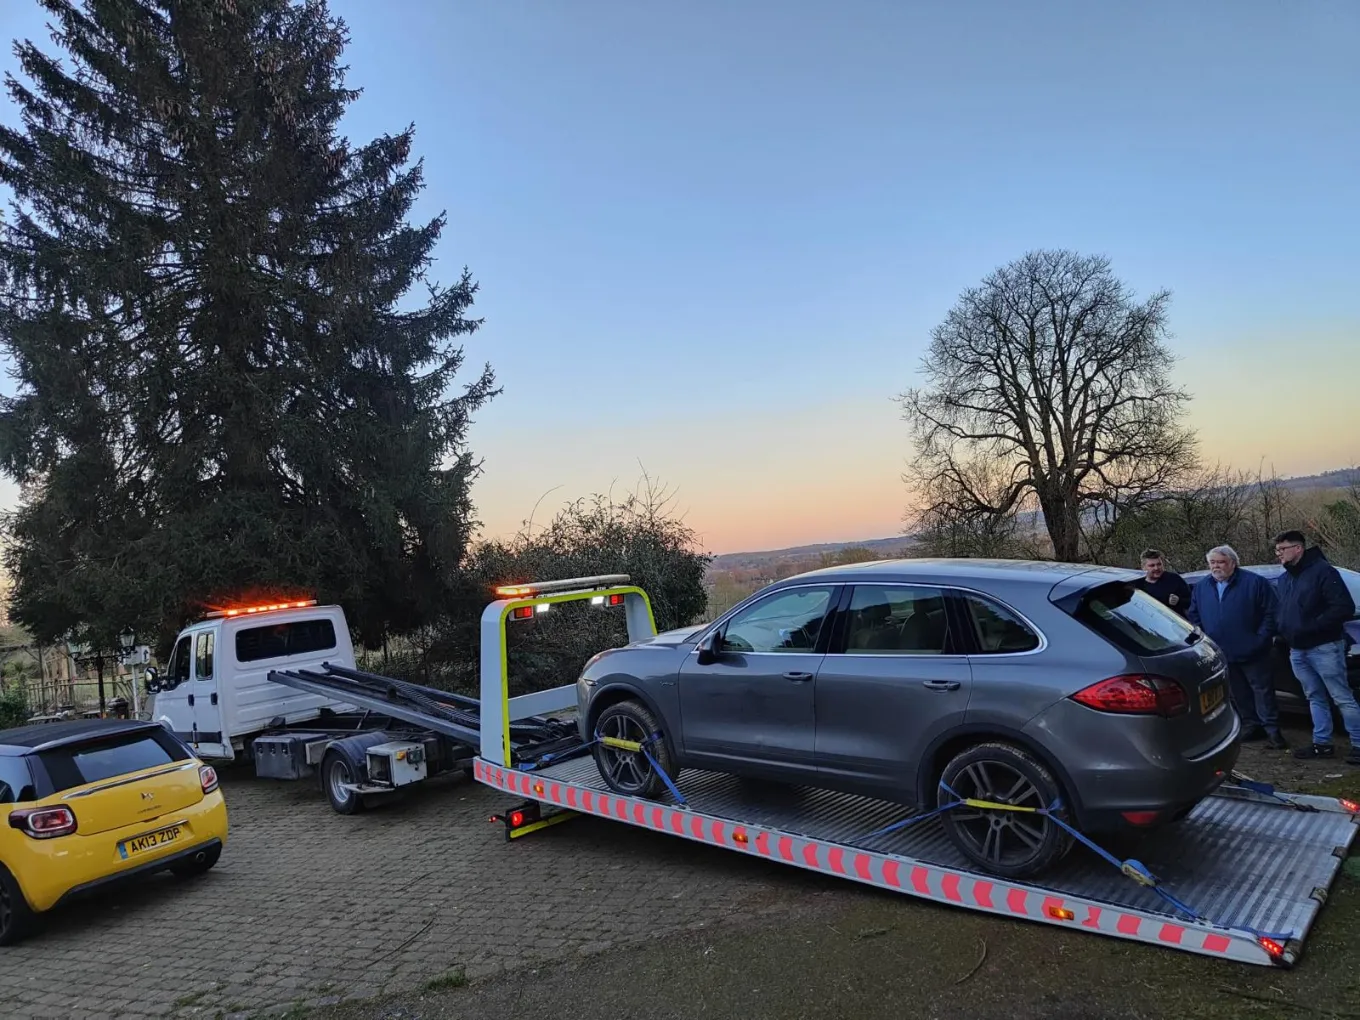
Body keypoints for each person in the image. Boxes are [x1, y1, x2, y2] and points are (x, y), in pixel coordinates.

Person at [1186, 544, 1288, 750]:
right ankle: (1251, 725)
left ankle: (1272, 731)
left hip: (1254, 650)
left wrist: (1260, 639)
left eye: (1221, 562)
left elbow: (1272, 613)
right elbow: (1194, 615)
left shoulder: (1254, 583)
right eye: (1212, 562)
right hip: (1222, 651)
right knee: (1237, 692)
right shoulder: (1203, 586)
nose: (1216, 567)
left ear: (1233, 563)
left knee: (1263, 691)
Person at [1271, 530, 1360, 764]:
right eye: (1277, 550)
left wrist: (1311, 627)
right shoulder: (1286, 578)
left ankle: (1359, 744)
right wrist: (1283, 630)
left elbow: (1343, 607)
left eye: (1282, 549)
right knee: (1314, 697)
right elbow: (1284, 611)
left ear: (1298, 548)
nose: (1278, 554)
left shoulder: (1323, 572)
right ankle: (1322, 744)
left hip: (1325, 647)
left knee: (1341, 697)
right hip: (1297, 650)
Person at [1130, 548, 1192, 616]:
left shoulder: (1174, 579)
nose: (1156, 568)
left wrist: (1179, 601)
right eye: (1152, 565)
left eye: (1159, 564)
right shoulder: (1136, 585)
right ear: (1143, 567)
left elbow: (1192, 601)